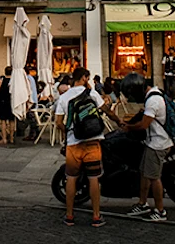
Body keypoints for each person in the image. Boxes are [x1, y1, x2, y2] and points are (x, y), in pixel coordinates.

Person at [55, 67, 120, 228]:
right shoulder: (92, 94)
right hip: (93, 143)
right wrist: (119, 122)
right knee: (93, 179)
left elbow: (58, 123)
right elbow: (107, 111)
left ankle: (69, 216)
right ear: (83, 78)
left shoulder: (64, 97)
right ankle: (96, 217)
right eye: (87, 78)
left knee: (71, 178)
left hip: (74, 144)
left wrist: (69, 131)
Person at [124, 73, 174, 222]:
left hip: (158, 143)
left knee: (154, 177)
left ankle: (160, 211)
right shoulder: (155, 93)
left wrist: (128, 127)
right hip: (152, 142)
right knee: (145, 173)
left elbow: (144, 125)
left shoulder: (153, 100)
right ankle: (143, 203)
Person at [0, 66, 15, 145]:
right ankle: (12, 138)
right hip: (11, 101)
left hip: (3, 102)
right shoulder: (13, 81)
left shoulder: (2, 80)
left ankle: (4, 138)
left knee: (3, 120)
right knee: (11, 120)